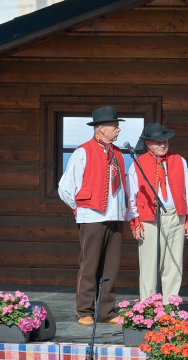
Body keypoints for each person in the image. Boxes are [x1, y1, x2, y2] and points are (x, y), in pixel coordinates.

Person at [58, 106, 127, 325]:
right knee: (89, 265)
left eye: (117, 126)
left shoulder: (118, 153)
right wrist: (79, 208)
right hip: (91, 216)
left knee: (111, 266)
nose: (118, 130)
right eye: (114, 126)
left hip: (115, 216)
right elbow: (65, 187)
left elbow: (122, 187)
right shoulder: (83, 152)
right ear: (101, 128)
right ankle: (84, 311)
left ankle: (106, 311)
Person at [126, 122, 188, 300]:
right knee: (150, 267)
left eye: (165, 142)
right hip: (149, 219)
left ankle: (171, 309)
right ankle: (149, 308)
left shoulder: (179, 160)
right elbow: (131, 196)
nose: (163, 145)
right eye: (158, 142)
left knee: (174, 265)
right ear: (148, 144)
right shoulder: (137, 164)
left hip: (176, 217)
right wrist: (135, 223)